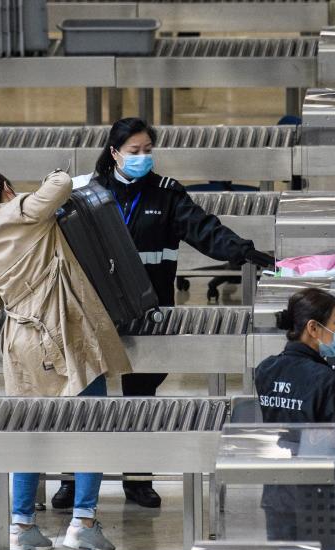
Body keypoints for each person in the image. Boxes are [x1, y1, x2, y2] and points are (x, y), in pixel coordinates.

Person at [53, 117, 275, 510]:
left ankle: (138, 479)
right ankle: (73, 479)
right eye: (134, 151)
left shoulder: (167, 195)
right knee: (84, 399)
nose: (143, 158)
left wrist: (241, 250)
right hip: (94, 312)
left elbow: (204, 229)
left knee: (141, 398)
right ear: (114, 152)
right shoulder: (86, 192)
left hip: (146, 311)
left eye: (147, 150)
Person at [0, 167, 132, 550]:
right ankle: (83, 524)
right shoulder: (24, 209)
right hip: (66, 332)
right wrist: (52, 174)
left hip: (22, 344)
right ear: (6, 188)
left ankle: (22, 528)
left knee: (30, 434)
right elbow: (59, 185)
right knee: (90, 428)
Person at [253, 287, 335, 540]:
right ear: (313, 328)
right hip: (320, 499)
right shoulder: (326, 381)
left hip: (277, 494)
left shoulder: (265, 370)